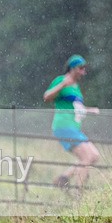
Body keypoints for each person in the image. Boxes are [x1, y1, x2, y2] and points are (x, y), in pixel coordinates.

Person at [43, 54, 100, 195]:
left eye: (84, 69)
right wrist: (63, 84)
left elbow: (76, 107)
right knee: (86, 157)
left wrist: (89, 109)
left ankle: (64, 178)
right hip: (63, 126)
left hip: (74, 127)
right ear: (72, 68)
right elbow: (47, 97)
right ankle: (79, 194)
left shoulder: (76, 87)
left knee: (94, 155)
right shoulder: (61, 80)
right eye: (81, 68)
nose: (83, 72)